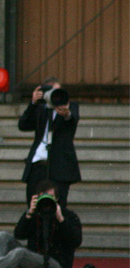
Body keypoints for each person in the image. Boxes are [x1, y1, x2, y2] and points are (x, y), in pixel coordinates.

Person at [0, 181, 83, 268]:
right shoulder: (35, 214)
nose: (47, 202)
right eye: (43, 197)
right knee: (2, 236)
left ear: (57, 199)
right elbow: (19, 234)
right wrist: (28, 214)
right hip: (33, 260)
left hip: (57, 266)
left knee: (20, 253)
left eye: (50, 198)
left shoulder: (68, 216)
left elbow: (76, 241)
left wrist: (61, 219)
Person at [19, 77, 80, 206]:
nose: (56, 96)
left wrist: (66, 114)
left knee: (59, 206)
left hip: (60, 166)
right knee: (33, 204)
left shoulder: (70, 105)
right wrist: (33, 103)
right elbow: (23, 125)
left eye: (58, 92)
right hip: (38, 164)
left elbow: (72, 119)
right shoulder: (41, 109)